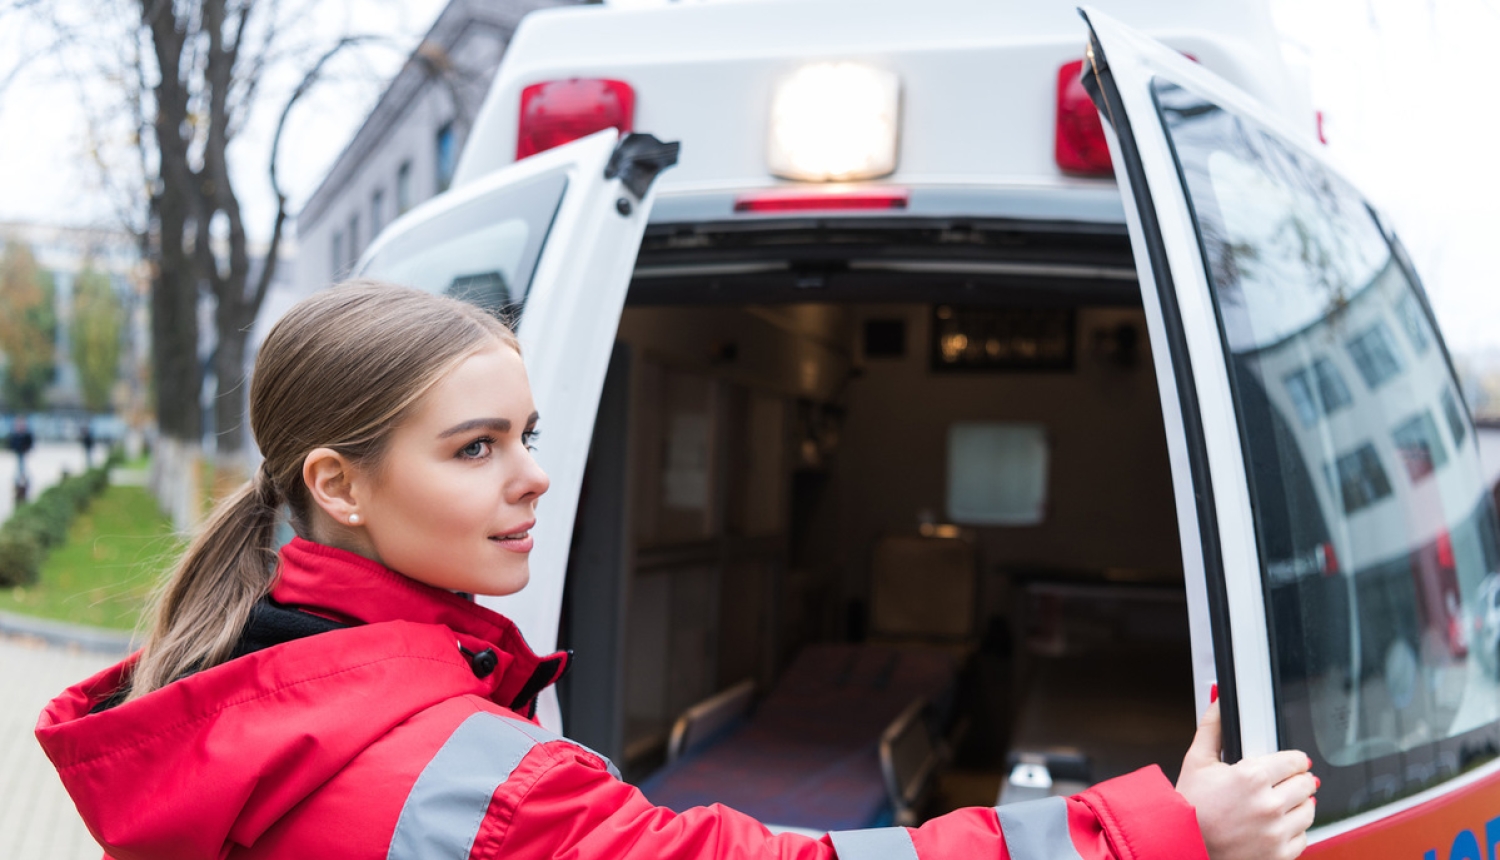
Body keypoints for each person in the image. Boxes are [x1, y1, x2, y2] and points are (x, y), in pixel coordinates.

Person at [36, 282, 1317, 860]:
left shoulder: (229, 690)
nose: (534, 475)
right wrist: (1157, 829)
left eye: (528, 434)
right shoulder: (476, 784)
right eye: (476, 446)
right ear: (339, 484)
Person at [8, 415, 34, 503]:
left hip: (23, 453)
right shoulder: (16, 434)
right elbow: (11, 444)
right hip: (19, 453)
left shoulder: (26, 434)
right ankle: (19, 482)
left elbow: (30, 443)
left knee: (22, 467)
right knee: (20, 467)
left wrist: (26, 449)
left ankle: (23, 481)